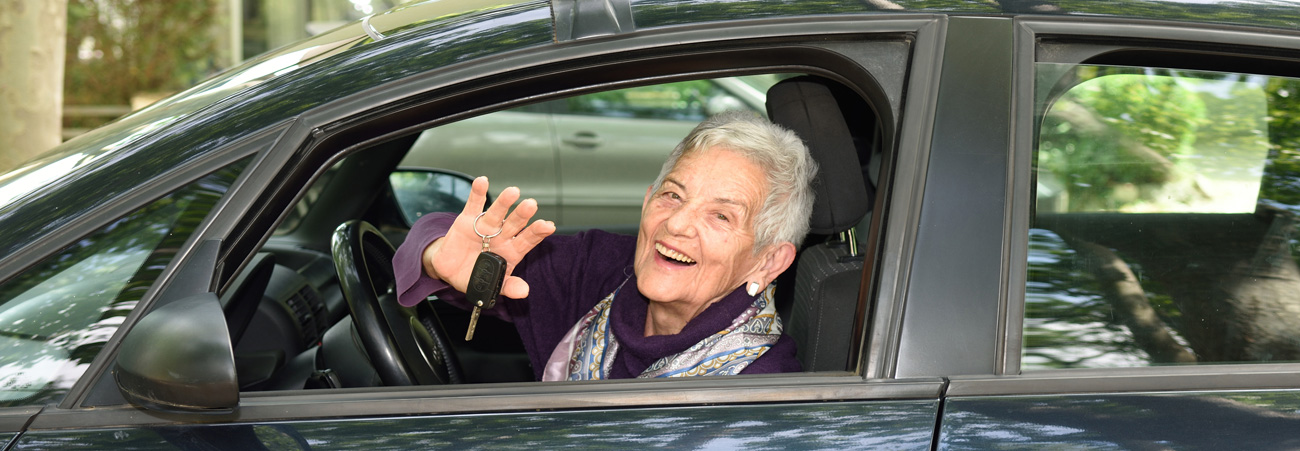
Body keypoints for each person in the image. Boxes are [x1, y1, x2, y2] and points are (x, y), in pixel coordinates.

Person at [392, 111, 817, 380]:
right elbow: (439, 240)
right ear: (648, 198)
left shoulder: (762, 390)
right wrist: (439, 257)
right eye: (672, 195)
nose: (677, 223)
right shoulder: (600, 270)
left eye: (721, 216)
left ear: (768, 261)